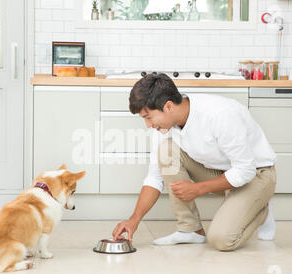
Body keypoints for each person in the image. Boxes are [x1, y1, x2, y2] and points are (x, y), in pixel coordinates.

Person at [111, 73, 277, 251]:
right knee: (167, 151)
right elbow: (154, 178)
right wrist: (134, 220)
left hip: (257, 174)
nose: (148, 125)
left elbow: (245, 170)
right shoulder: (164, 128)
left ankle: (260, 209)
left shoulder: (220, 115)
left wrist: (197, 189)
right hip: (220, 172)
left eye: (148, 117)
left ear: (168, 107)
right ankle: (190, 230)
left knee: (222, 240)